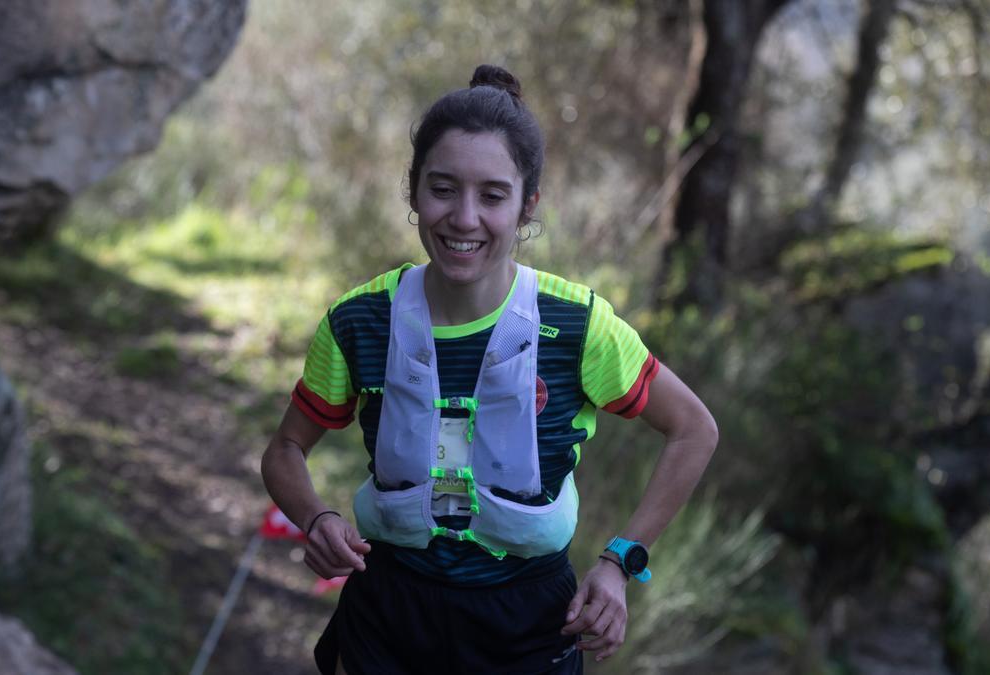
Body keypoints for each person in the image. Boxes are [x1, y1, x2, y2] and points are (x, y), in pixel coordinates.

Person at [261, 64, 718, 674]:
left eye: (493, 195)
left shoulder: (579, 324)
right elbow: (285, 448)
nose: (464, 218)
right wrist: (315, 519)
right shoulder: (360, 321)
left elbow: (693, 429)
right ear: (413, 191)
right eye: (443, 188)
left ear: (528, 204)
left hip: (528, 623)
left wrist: (619, 562)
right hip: (387, 610)